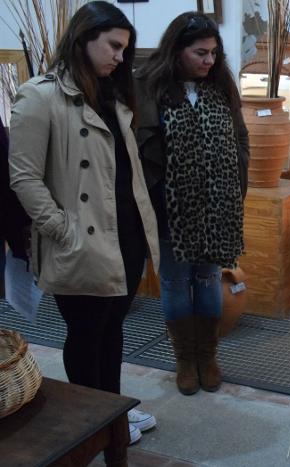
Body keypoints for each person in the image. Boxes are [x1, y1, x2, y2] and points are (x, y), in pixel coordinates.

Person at [9, 1, 160, 445]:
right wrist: (63, 230)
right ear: (84, 37)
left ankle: (109, 417)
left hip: (125, 235)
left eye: (124, 49)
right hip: (82, 239)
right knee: (86, 334)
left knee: (113, 331)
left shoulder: (112, 95)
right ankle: (87, 427)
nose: (119, 56)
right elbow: (24, 176)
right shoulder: (39, 96)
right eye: (113, 46)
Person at [135, 12, 248, 396]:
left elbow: (241, 139)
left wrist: (236, 189)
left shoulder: (222, 88)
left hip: (218, 206)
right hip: (172, 209)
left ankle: (208, 356)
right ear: (177, 50)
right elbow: (143, 149)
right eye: (200, 52)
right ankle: (184, 359)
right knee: (176, 281)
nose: (208, 61)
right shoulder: (151, 88)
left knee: (208, 278)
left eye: (214, 53)